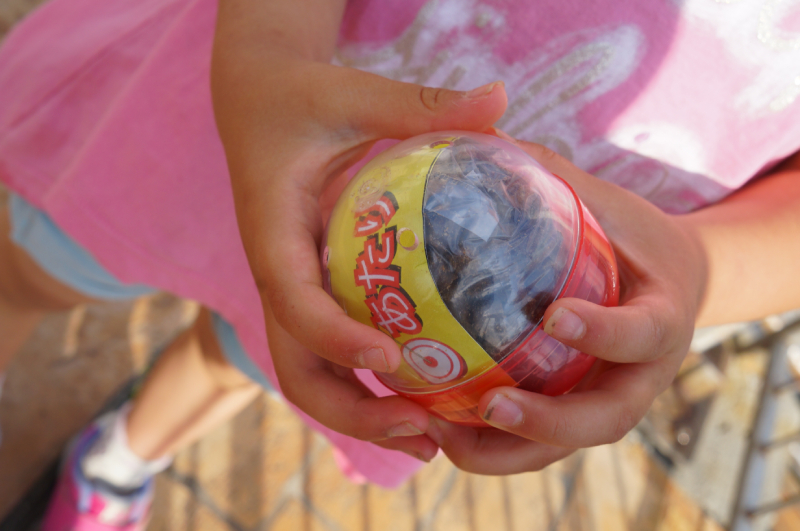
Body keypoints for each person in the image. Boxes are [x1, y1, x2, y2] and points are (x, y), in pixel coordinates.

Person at [1, 0, 799, 528]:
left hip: (447, 317)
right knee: (34, 268)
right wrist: (266, 54)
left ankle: (121, 456)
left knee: (241, 358)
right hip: (247, 107)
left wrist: (699, 263)